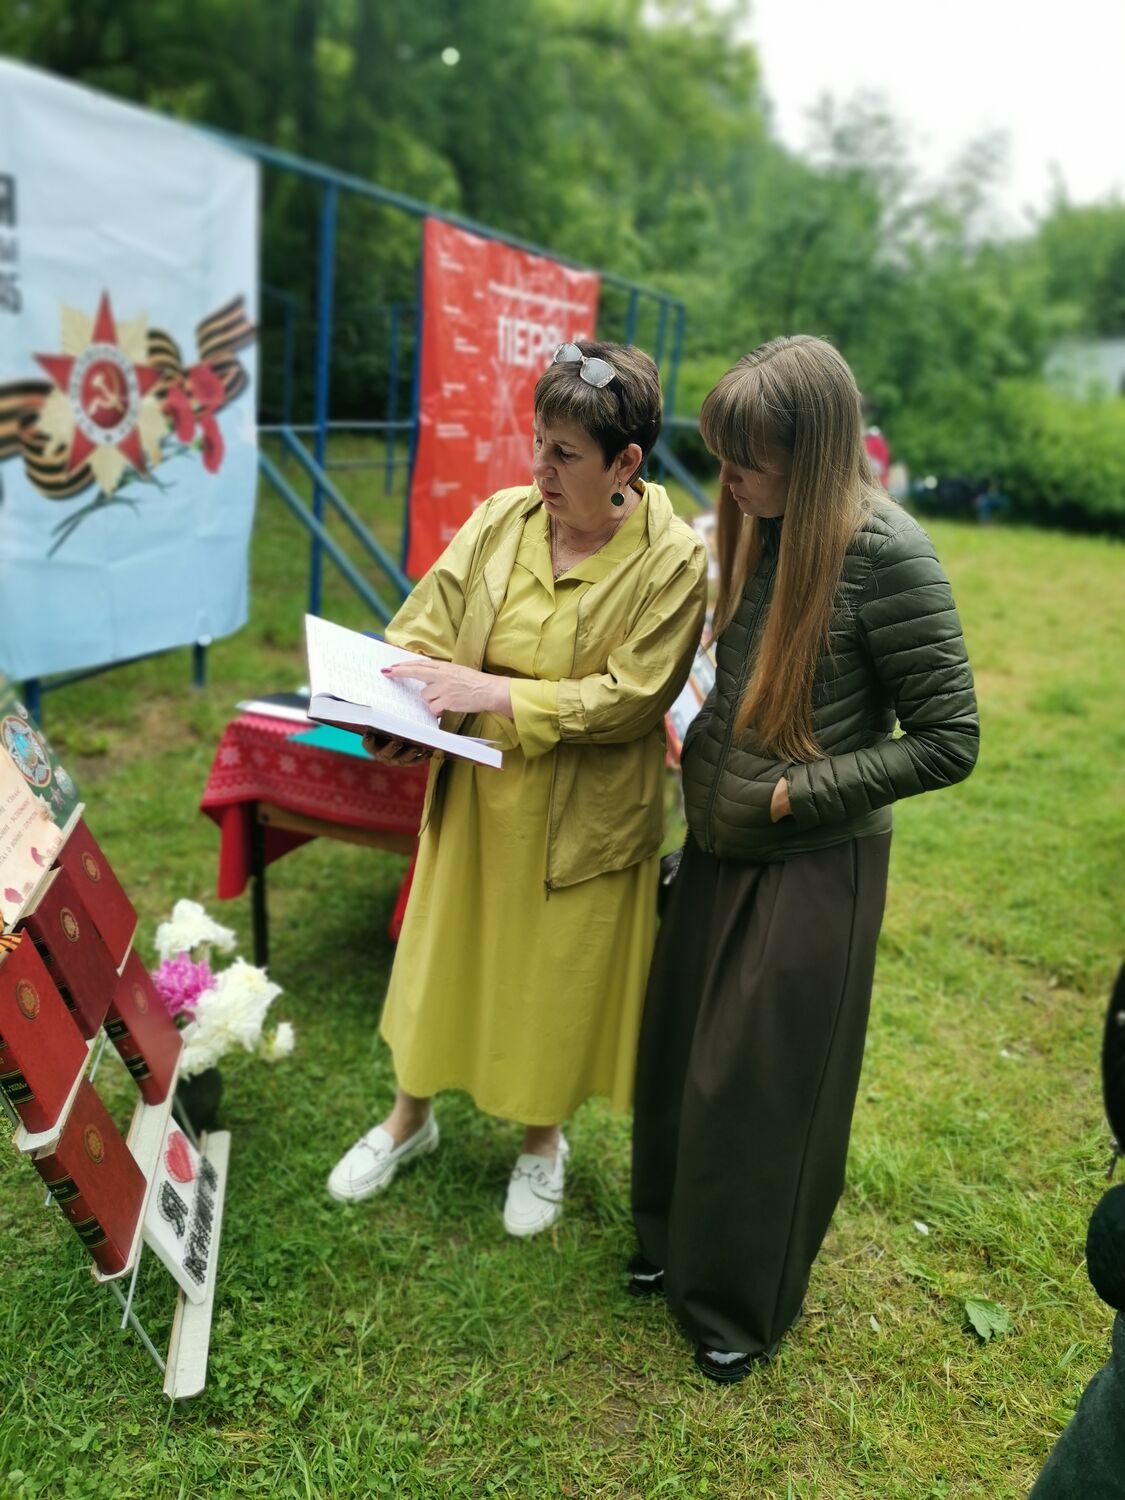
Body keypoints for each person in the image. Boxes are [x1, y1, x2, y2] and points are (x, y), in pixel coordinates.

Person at [629, 334, 979, 1381]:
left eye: (749, 461)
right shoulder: (765, 525)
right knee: (680, 1057)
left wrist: (794, 793)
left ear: (815, 453)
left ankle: (738, 1302)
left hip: (809, 862)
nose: (728, 480)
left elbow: (949, 739)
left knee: (761, 1090)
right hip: (719, 841)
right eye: (723, 456)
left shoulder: (890, 554)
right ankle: (669, 1242)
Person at [327, 339, 708, 1237]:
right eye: (537, 440)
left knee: (557, 982)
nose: (539, 465)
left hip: (586, 815)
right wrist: (390, 707)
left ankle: (542, 1143)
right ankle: (408, 1119)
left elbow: (631, 698)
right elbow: (423, 626)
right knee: (443, 960)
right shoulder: (502, 516)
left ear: (626, 464)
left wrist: (493, 693)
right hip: (477, 793)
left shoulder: (673, 559)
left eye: (564, 452)